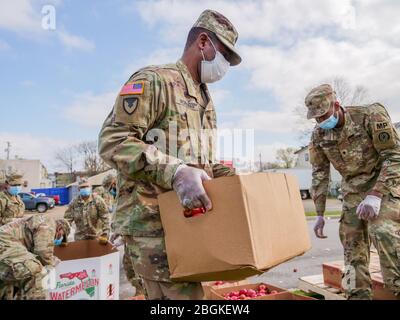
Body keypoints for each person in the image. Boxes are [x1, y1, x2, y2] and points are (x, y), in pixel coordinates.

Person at [98, 9, 240, 299]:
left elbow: (199, 164)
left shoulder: (204, 100)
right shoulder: (154, 81)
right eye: (224, 55)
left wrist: (235, 179)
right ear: (203, 42)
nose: (226, 66)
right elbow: (113, 141)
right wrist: (174, 172)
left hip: (187, 223)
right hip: (153, 227)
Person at [306, 84, 400, 299]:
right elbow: (319, 173)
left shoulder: (370, 115)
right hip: (353, 190)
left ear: (337, 105)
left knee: (383, 232)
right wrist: (319, 213)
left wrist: (375, 195)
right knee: (351, 245)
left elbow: (394, 156)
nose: (321, 121)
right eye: (316, 118)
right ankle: (357, 295)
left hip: (384, 183)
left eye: (324, 115)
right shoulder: (319, 135)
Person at [0, 215, 70, 300]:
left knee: (11, 278)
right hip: (5, 244)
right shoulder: (49, 222)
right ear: (59, 229)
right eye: (61, 236)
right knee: (36, 270)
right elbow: (43, 251)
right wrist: (52, 262)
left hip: (6, 247)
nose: (59, 239)